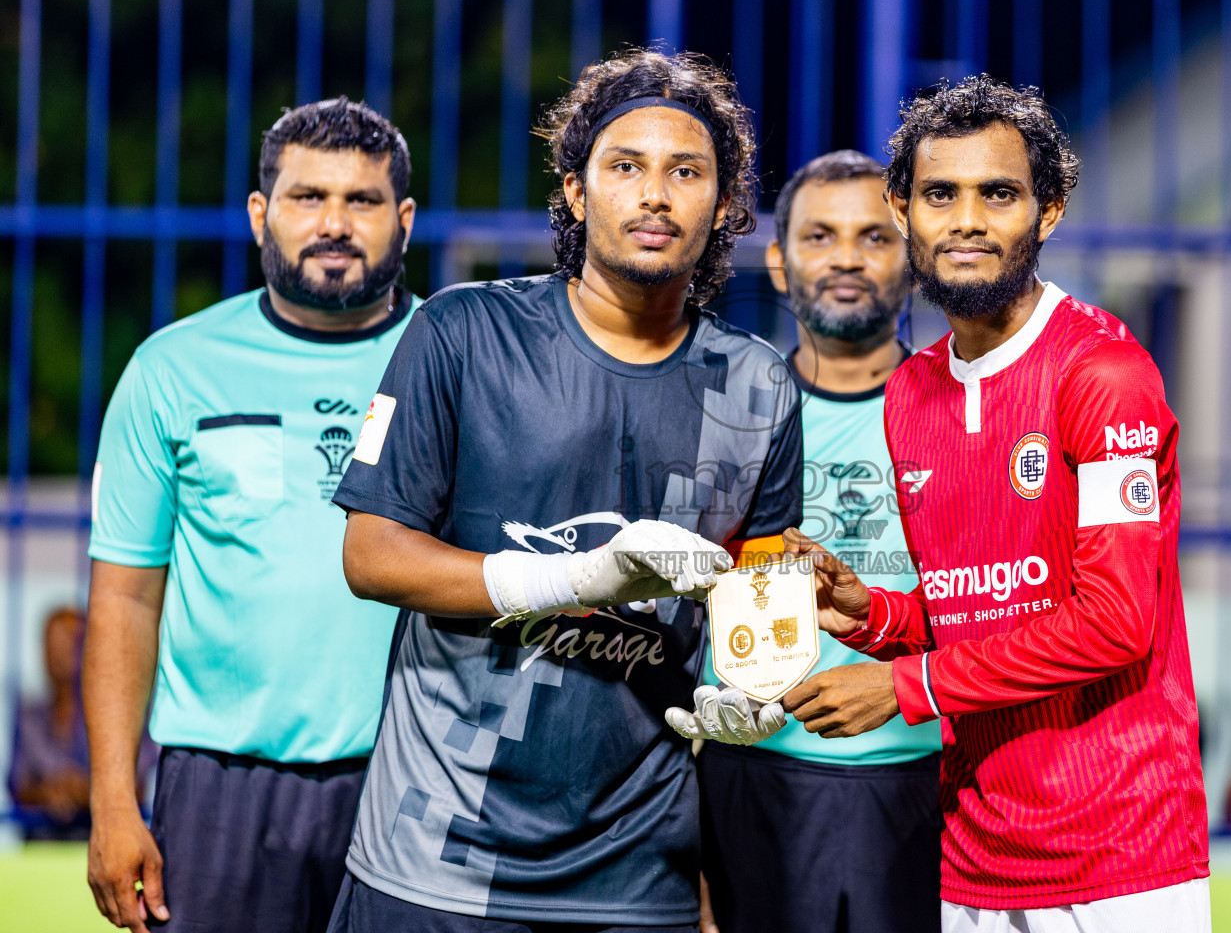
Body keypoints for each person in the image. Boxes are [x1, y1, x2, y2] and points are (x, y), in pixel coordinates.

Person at [323, 49, 802, 933]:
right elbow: (371, 554)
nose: (654, 194)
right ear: (579, 193)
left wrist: (759, 686)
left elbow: (761, 593)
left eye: (685, 172)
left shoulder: (759, 384)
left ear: (725, 205)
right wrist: (577, 580)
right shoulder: (463, 332)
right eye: (625, 167)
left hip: (639, 876)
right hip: (435, 856)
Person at [758, 75, 1211, 931]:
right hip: (974, 859)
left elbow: (1116, 622)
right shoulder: (911, 394)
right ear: (904, 210)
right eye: (940, 194)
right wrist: (872, 614)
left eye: (997, 193)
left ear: (1048, 212)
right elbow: (986, 602)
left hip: (1120, 856)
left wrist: (908, 685)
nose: (966, 218)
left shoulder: (1103, 373)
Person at [83, 98, 419, 933]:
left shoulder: (456, 360)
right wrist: (112, 803)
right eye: (309, 198)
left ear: (404, 222)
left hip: (418, 777)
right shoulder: (173, 369)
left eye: (363, 201)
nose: (335, 223)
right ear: (260, 215)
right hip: (220, 792)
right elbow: (125, 599)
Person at [695, 150, 942, 933]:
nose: (846, 257)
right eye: (820, 236)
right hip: (753, 773)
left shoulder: (960, 415)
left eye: (875, 237)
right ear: (777, 260)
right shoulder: (719, 412)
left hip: (923, 773)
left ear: (912, 257)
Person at [9, 608, 154, 840]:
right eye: (51, 645)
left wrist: (87, 792)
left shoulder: (120, 713)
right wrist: (48, 793)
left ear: (91, 648)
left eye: (68, 644)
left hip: (99, 844)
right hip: (38, 848)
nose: (58, 655)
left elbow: (138, 789)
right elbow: (17, 786)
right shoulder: (29, 716)